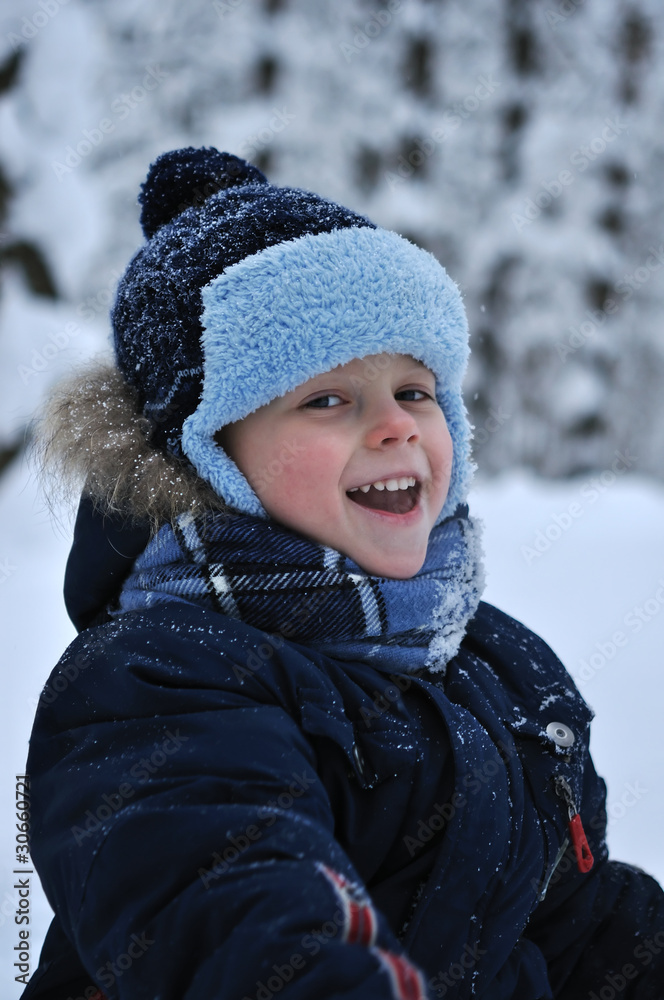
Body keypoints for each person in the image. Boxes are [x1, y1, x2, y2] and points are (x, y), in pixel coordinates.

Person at [23, 147, 664, 1000]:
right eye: (327, 399)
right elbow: (241, 920)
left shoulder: (497, 669)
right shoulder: (155, 684)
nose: (395, 427)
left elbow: (578, 931)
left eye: (416, 390)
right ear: (208, 457)